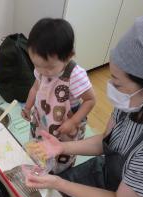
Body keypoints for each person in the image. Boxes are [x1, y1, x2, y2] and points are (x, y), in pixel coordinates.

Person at [25, 4, 143, 197]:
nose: (111, 89)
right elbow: (107, 140)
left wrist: (59, 184)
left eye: (117, 83)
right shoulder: (135, 102)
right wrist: (62, 145)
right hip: (111, 174)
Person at [21, 18, 96, 174]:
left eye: (49, 67)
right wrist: (27, 107)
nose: (42, 71)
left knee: (61, 159)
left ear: (69, 56)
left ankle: (60, 177)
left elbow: (90, 100)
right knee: (39, 147)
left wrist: (74, 121)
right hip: (42, 118)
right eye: (36, 65)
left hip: (65, 125)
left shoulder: (75, 75)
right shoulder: (41, 69)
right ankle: (40, 165)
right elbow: (35, 88)